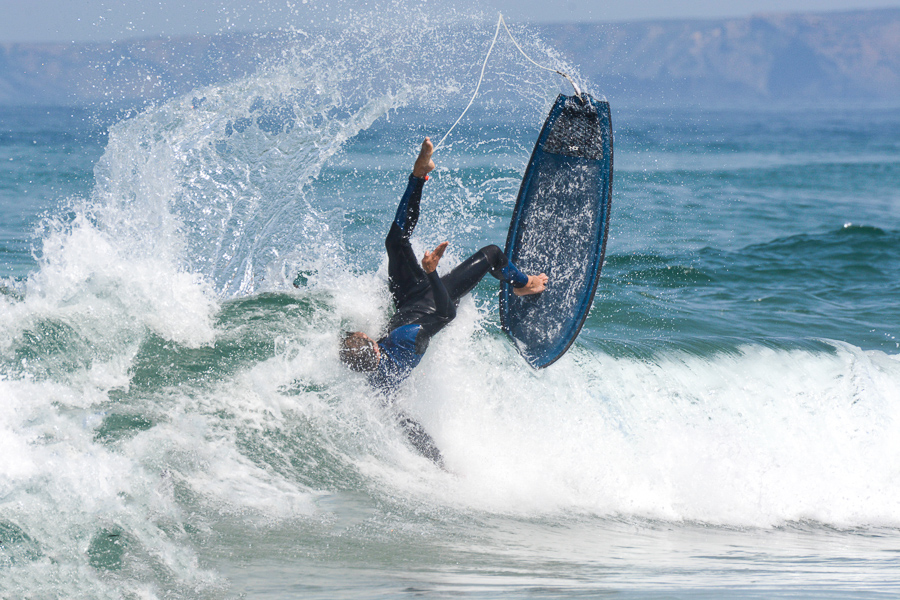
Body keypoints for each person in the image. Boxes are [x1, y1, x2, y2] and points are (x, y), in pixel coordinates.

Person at [339, 138, 547, 465]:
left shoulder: (379, 386)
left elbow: (405, 423)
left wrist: (436, 462)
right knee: (493, 254)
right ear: (373, 345)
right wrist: (432, 273)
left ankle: (420, 174)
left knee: (395, 241)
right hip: (436, 300)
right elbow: (447, 315)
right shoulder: (408, 340)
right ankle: (526, 285)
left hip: (406, 298)